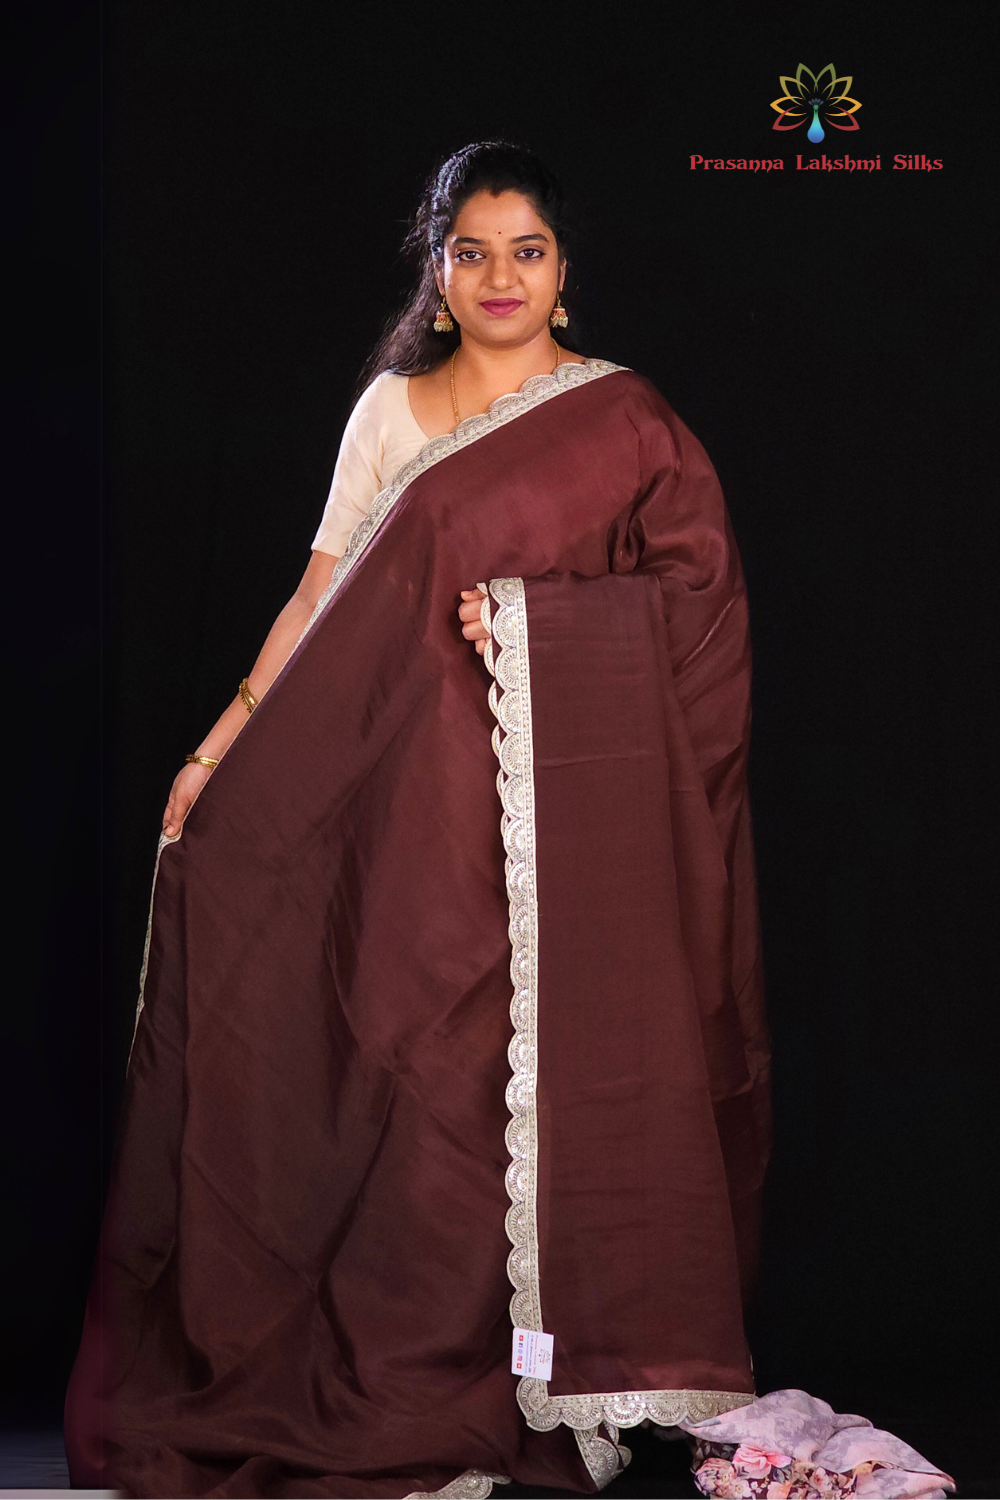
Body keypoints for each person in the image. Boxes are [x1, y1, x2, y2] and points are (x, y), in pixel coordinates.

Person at [64, 143, 953, 1500]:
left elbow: (702, 613)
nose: (499, 278)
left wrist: (541, 625)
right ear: (434, 269)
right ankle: (402, 1371)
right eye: (470, 251)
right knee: (411, 1086)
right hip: (401, 830)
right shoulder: (391, 412)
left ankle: (527, 1374)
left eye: (525, 251)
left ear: (564, 270)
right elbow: (316, 602)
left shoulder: (626, 422)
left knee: (510, 1108)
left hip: (565, 850)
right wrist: (218, 747)